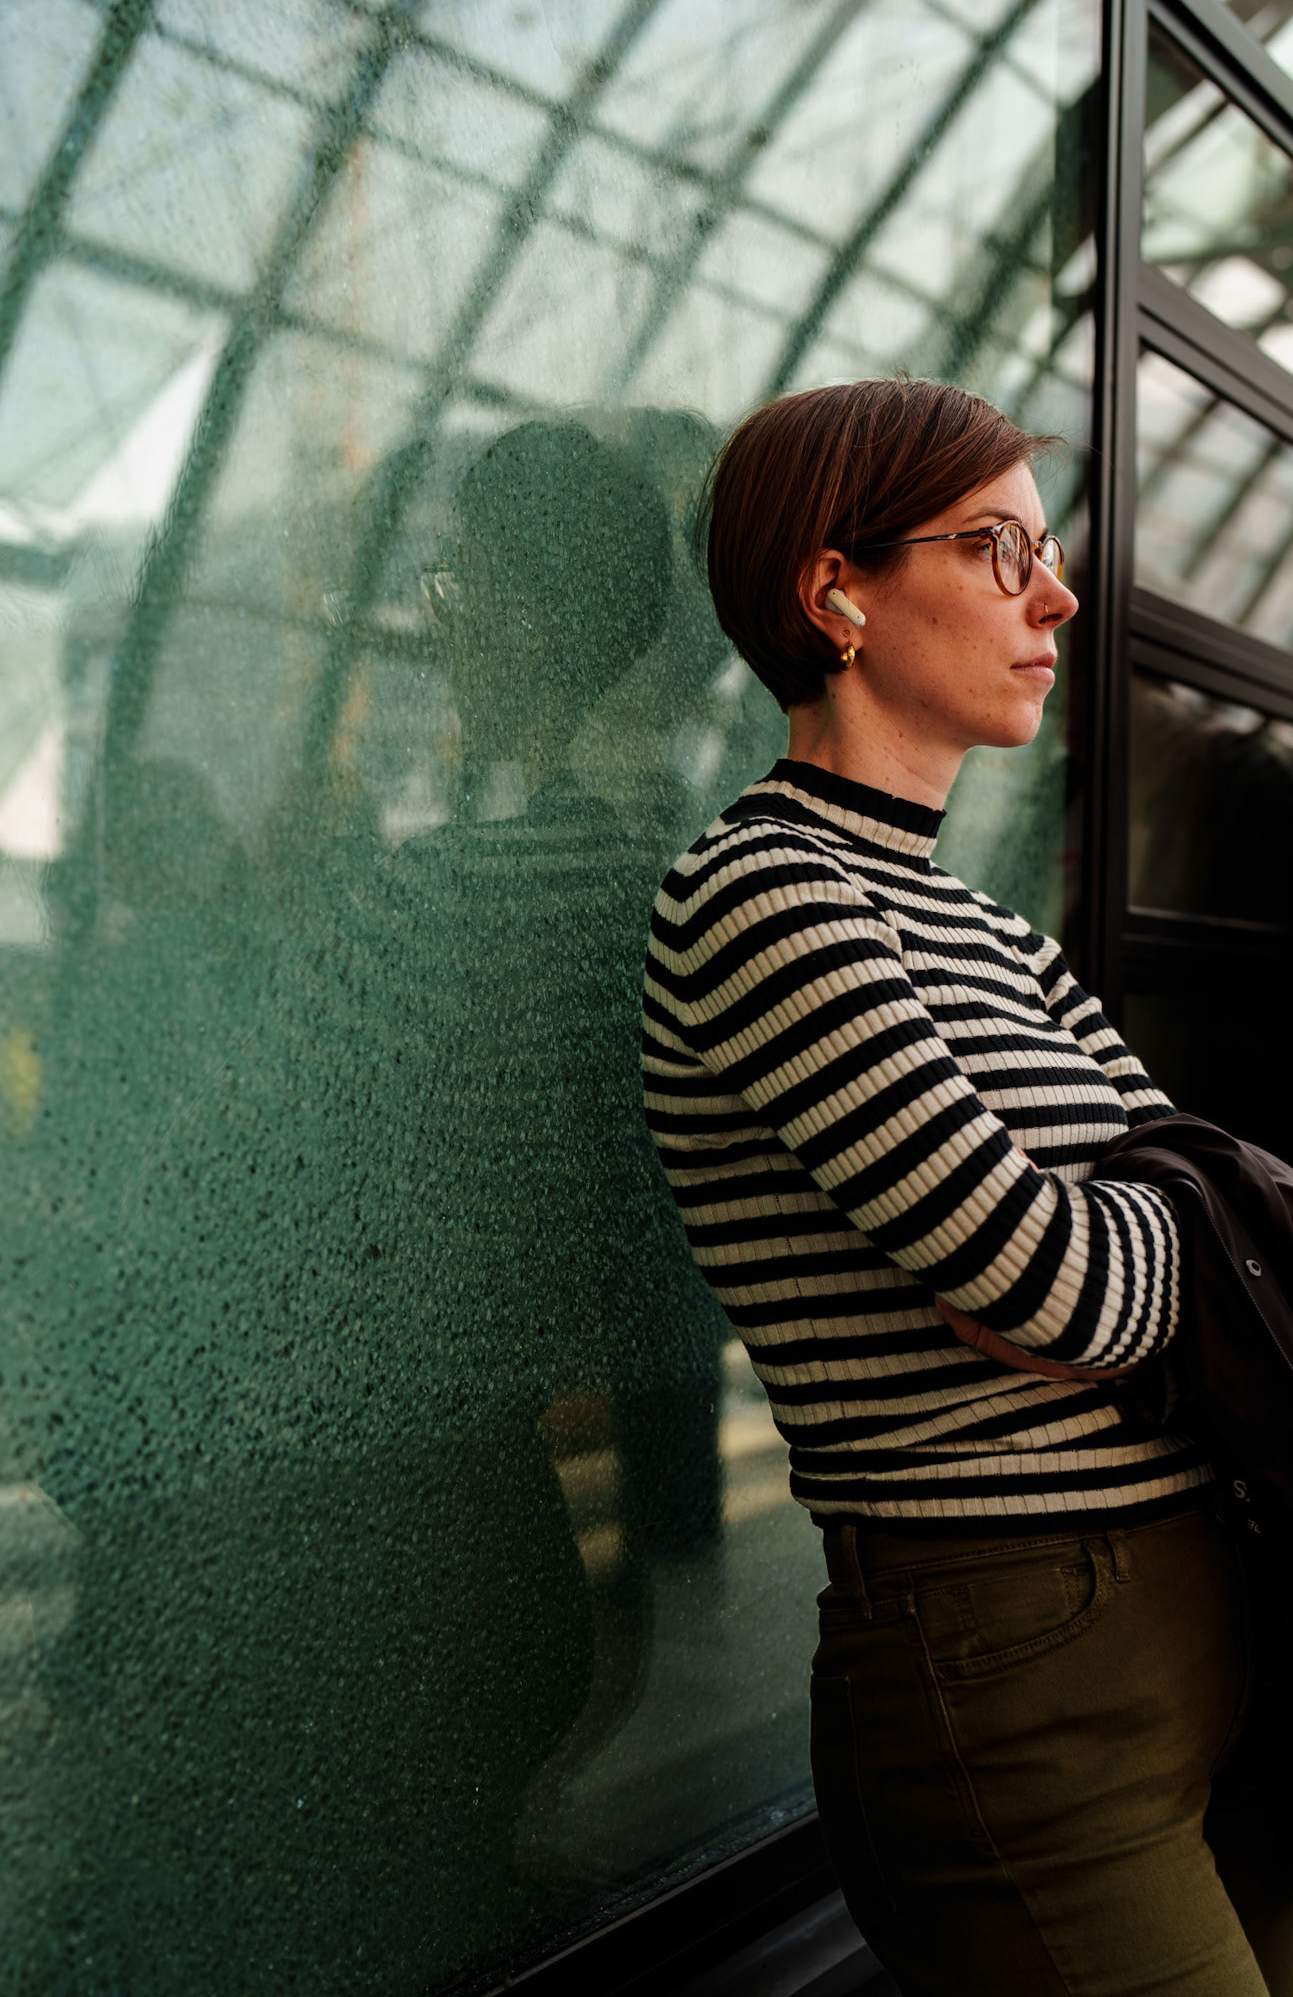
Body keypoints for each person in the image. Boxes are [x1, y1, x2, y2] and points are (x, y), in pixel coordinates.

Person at [642, 377, 1293, 1996]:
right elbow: (1054, 1283)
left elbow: (1170, 1215)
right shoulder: (762, 901)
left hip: (1207, 1617)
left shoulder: (986, 934)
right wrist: (1147, 1243)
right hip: (1010, 1663)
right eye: (999, 548)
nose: (1056, 595)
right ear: (833, 591)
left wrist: (1132, 1241)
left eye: (1045, 550)